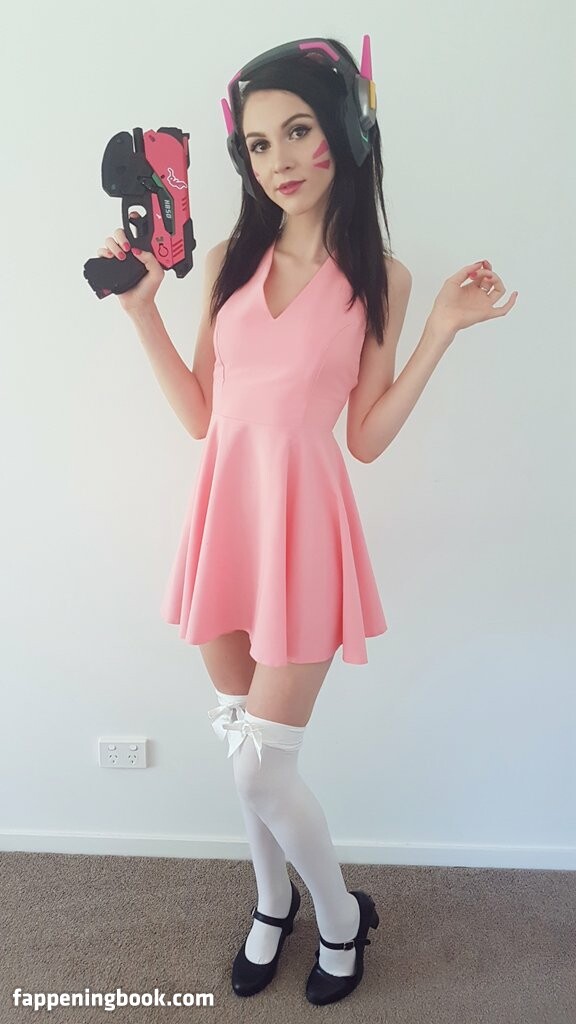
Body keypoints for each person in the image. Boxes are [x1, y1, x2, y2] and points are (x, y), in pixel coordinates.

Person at [96, 37, 517, 1008]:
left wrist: (440, 332)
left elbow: (363, 437)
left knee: (263, 771)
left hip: (305, 532)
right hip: (226, 520)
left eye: (297, 131)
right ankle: (270, 899)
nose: (278, 159)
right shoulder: (226, 263)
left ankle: (338, 914)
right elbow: (203, 415)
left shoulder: (382, 279)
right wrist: (141, 314)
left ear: (346, 133)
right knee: (240, 749)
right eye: (257, 143)